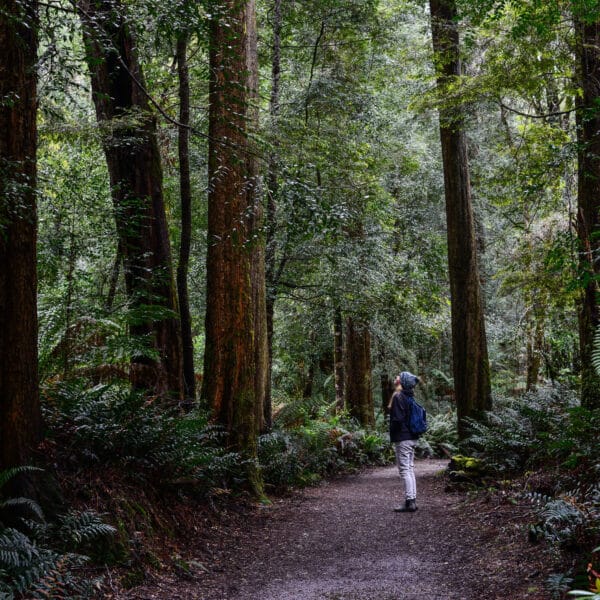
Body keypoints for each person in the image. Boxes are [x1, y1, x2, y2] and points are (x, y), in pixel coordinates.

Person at [388, 371, 421, 513]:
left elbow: (397, 419)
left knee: (405, 470)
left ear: (402, 382)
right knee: (410, 469)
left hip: (403, 438)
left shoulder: (398, 396)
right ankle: (412, 500)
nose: (395, 378)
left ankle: (409, 503)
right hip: (412, 437)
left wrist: (393, 434)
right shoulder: (409, 397)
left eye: (398, 377)